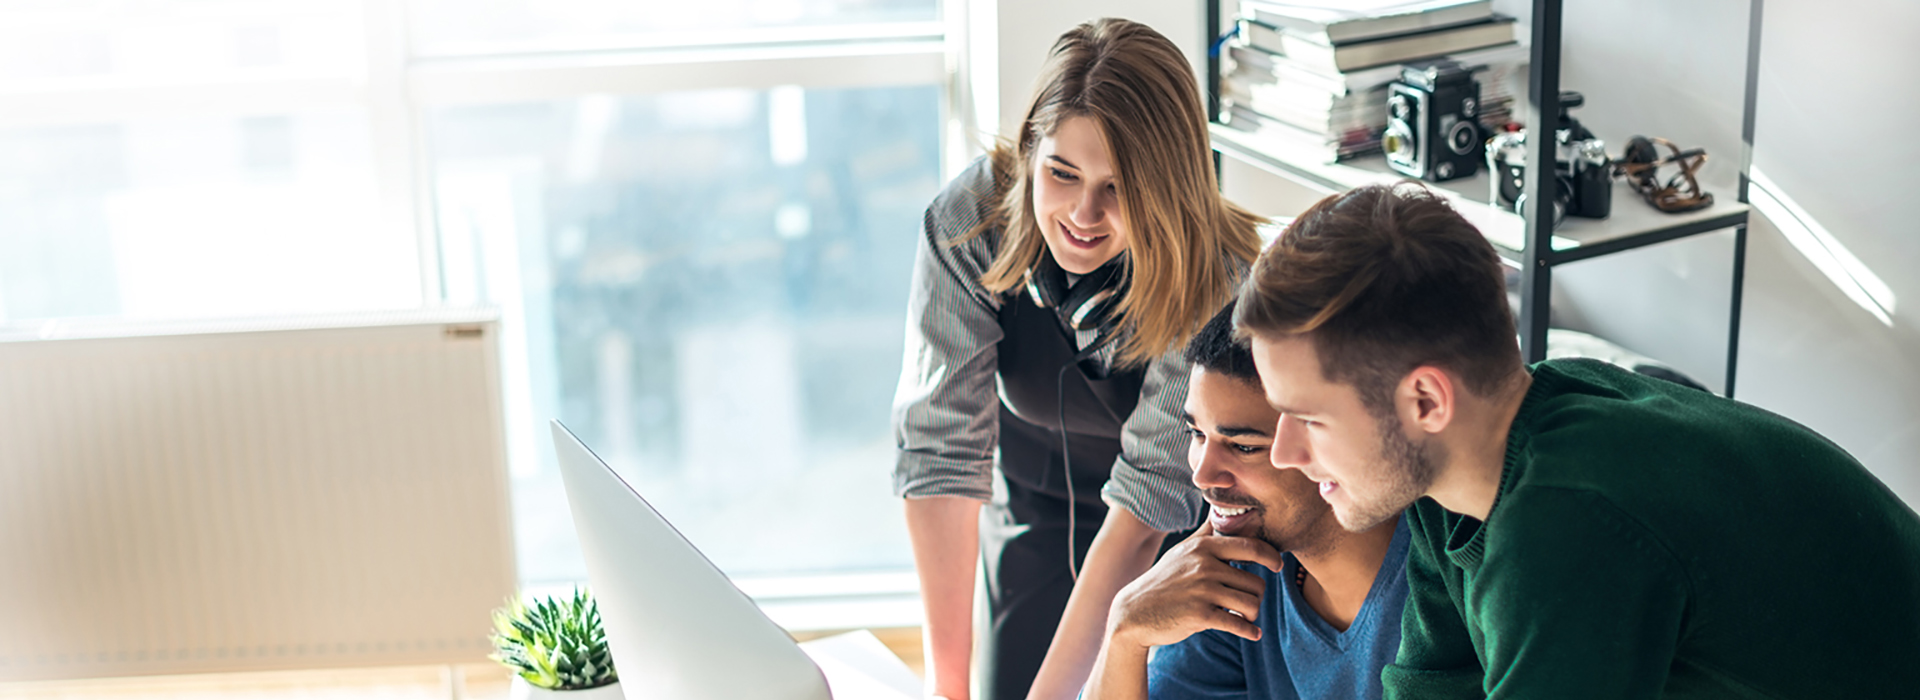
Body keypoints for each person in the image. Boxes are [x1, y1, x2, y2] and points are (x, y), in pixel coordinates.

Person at [1232, 182, 1920, 698]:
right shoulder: (1459, 478)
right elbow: (1432, 687)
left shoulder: (1568, 520)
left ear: (1425, 400)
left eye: (1310, 418)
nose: (1286, 452)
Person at [891, 18, 1265, 700]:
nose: (1083, 214)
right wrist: (945, 690)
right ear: (1031, 150)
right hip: (1035, 511)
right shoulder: (967, 224)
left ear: (1165, 185)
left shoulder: (1220, 278)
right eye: (1061, 173)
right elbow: (942, 455)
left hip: (1171, 533)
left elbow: (1148, 497)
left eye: (1118, 187)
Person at [1084, 301, 1409, 700]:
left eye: (1243, 447)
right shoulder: (1237, 578)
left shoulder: (1438, 582)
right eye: (1197, 435)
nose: (1201, 476)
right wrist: (1125, 633)